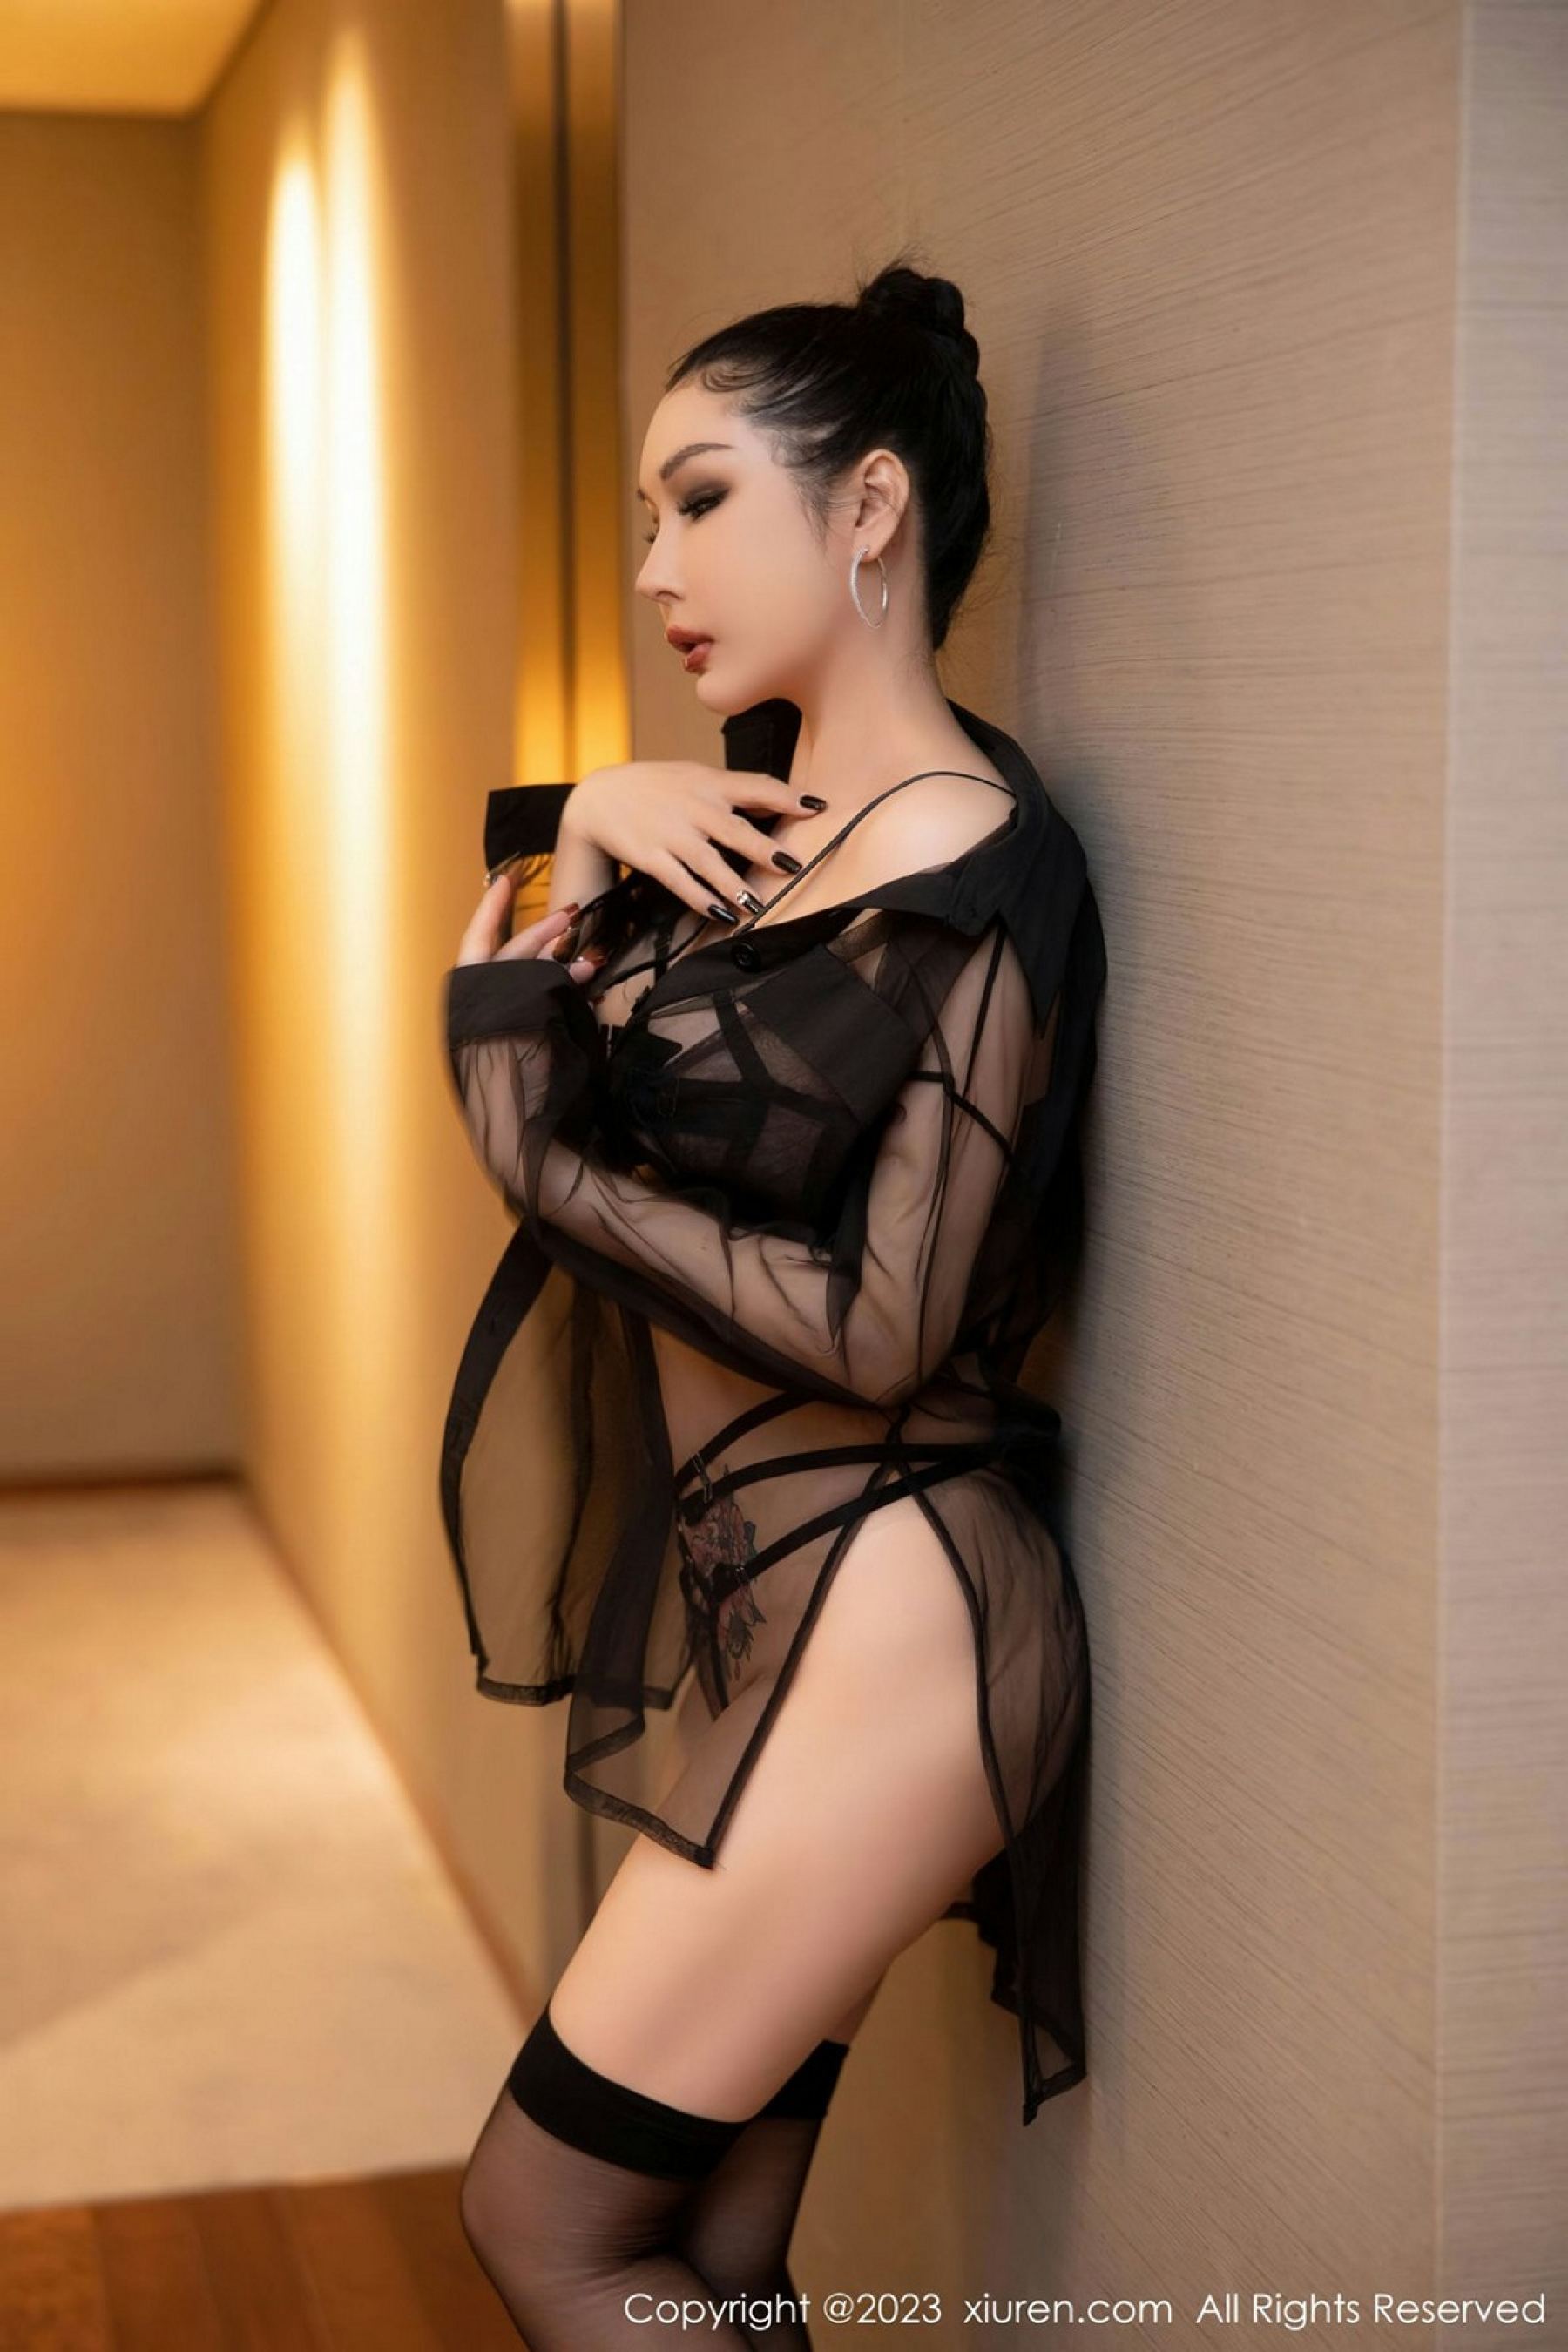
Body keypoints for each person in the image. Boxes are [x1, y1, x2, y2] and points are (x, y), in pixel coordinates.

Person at [443, 253, 1107, 2346]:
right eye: (647, 518)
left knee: (544, 2226)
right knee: (717, 2265)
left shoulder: (980, 861)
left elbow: (884, 1325)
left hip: (894, 1616)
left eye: (702, 500)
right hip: (787, 1612)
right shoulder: (774, 816)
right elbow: (575, 965)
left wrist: (542, 1165)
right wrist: (581, 812)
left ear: (871, 507)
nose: (657, 568)